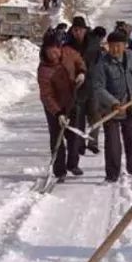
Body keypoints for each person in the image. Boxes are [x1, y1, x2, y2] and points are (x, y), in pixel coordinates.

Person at [91, 29, 132, 182]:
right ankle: (112, 175)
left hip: (131, 107)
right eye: (111, 46)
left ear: (125, 45)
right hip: (111, 110)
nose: (115, 49)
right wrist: (113, 102)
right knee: (113, 145)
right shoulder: (102, 63)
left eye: (118, 45)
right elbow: (98, 87)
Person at [37, 33, 87, 181]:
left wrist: (81, 72)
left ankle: (73, 164)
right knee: (56, 137)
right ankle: (59, 171)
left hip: (72, 101)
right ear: (45, 51)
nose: (55, 53)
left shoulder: (69, 53)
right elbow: (46, 95)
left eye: (56, 49)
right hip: (54, 107)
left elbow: (80, 61)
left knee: (74, 136)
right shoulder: (44, 70)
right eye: (50, 51)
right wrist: (58, 113)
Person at [66, 19, 104, 155]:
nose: (77, 33)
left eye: (80, 30)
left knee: (95, 115)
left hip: (93, 83)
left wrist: (100, 80)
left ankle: (93, 142)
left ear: (85, 30)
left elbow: (100, 63)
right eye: (75, 30)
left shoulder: (94, 44)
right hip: (76, 85)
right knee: (78, 116)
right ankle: (80, 144)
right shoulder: (68, 45)